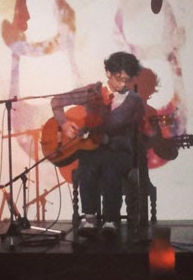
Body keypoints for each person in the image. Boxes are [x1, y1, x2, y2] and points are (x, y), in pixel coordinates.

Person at [50, 51, 145, 237]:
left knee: (110, 168)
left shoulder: (135, 101)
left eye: (127, 80)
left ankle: (111, 220)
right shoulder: (92, 92)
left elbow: (137, 132)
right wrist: (65, 123)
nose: (123, 84)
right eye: (119, 79)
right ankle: (89, 218)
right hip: (92, 148)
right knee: (88, 164)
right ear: (108, 72)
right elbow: (57, 101)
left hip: (119, 151)